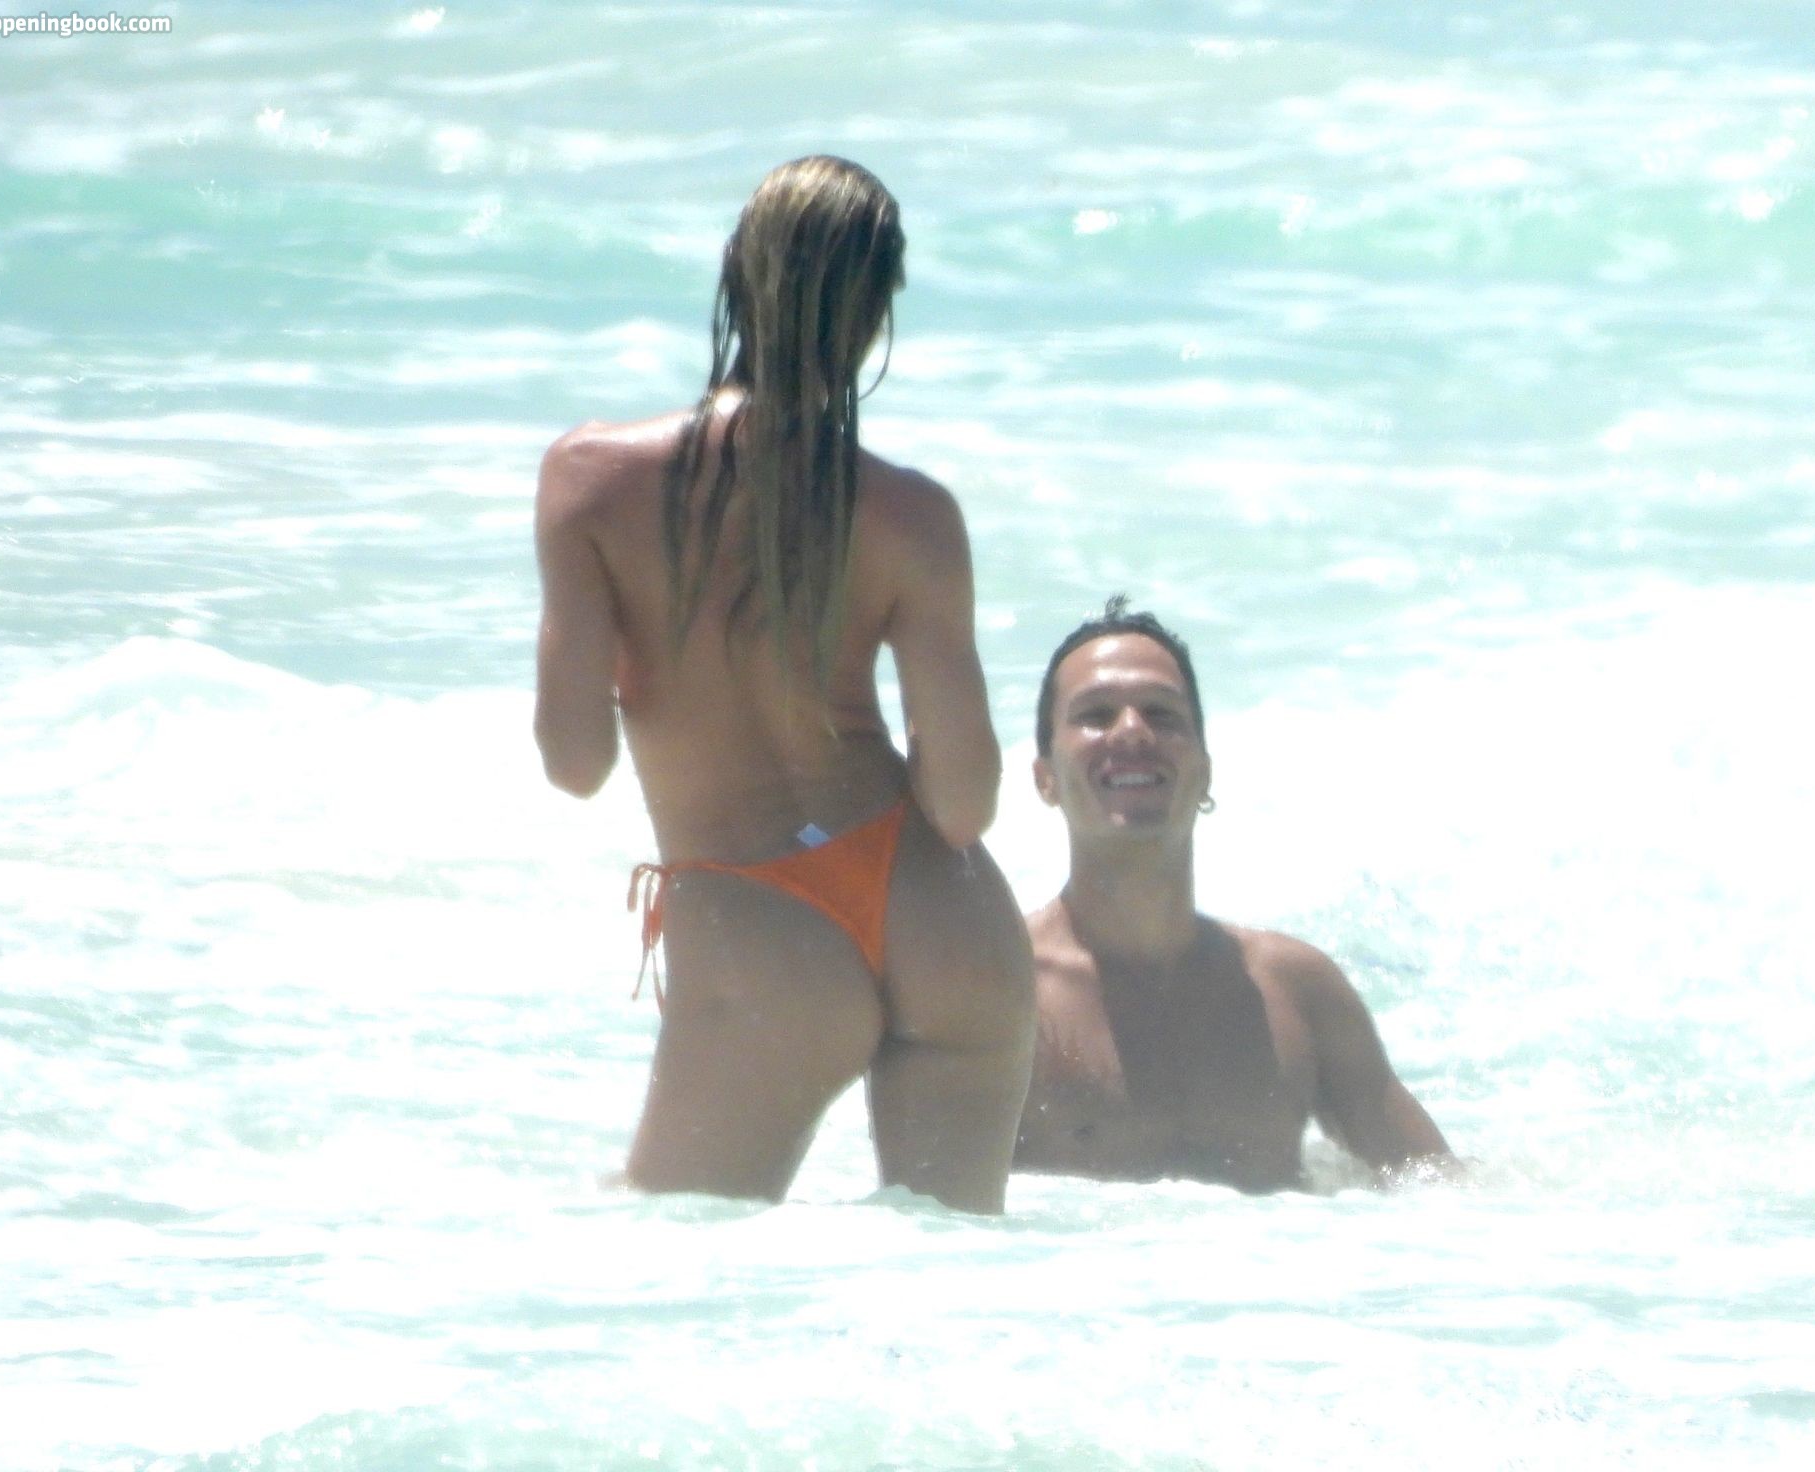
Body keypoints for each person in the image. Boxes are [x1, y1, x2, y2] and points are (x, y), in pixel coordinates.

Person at [532, 156, 1034, 1213]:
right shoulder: (913, 516)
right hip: (943, 914)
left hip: (757, 926)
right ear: (877, 313)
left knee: (663, 1259)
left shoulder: (591, 481)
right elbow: (963, 802)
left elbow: (575, 763)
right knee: (954, 1277)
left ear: (733, 272)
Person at [1014, 598, 1456, 1193]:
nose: (1133, 731)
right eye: (1096, 714)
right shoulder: (1003, 995)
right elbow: (924, 1215)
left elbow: (1440, 1189)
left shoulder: (1296, 992)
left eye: (1162, 714)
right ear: (1044, 778)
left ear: (1204, 770)